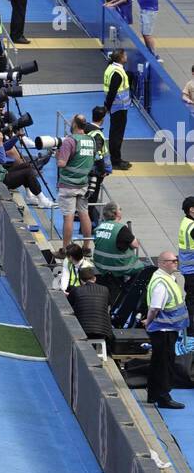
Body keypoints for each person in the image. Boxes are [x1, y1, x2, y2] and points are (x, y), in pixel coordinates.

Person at [145, 250, 187, 409]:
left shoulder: (168, 278)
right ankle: (163, 396)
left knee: (158, 362)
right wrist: (148, 322)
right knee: (164, 364)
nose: (175, 263)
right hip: (163, 331)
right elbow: (155, 308)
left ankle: (153, 394)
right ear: (162, 263)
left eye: (176, 260)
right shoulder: (161, 283)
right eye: (172, 261)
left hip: (167, 329)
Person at [56, 114, 96, 250]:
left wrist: (58, 154)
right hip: (84, 185)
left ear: (73, 124)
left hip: (68, 185)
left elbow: (62, 163)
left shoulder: (69, 141)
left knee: (68, 217)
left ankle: (65, 249)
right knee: (84, 215)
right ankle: (86, 247)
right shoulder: (92, 140)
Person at [92, 202, 141, 291]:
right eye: (120, 209)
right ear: (116, 213)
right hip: (119, 267)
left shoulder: (98, 227)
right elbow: (135, 245)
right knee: (143, 267)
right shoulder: (121, 228)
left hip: (101, 265)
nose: (121, 211)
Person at [102, 48, 131, 169]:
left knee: (114, 133)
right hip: (118, 108)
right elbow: (112, 91)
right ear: (121, 58)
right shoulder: (117, 73)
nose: (126, 56)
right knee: (117, 135)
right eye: (125, 55)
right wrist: (107, 107)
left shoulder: (111, 67)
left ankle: (115, 158)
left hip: (116, 107)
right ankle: (116, 160)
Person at [178, 196, 194, 327]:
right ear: (192, 210)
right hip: (192, 270)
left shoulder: (186, 222)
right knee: (192, 301)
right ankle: (191, 329)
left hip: (187, 269)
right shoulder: (192, 227)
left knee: (191, 299)